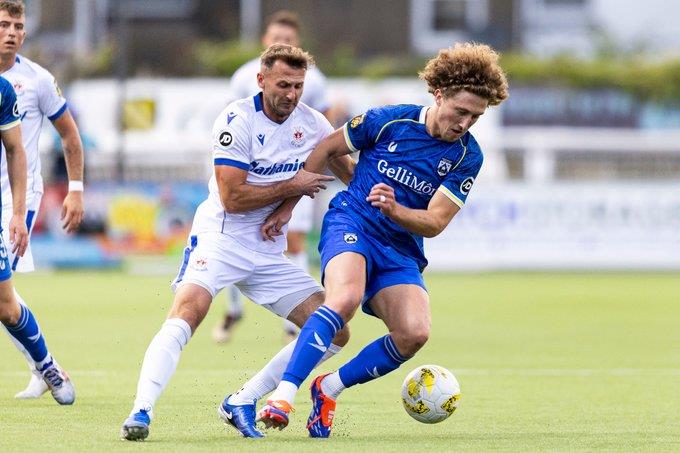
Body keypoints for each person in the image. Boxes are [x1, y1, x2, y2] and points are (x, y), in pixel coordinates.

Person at [257, 42, 509, 437]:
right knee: (343, 300)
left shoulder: (467, 156)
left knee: (414, 333)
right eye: (460, 111)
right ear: (438, 94)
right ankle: (282, 396)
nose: (464, 123)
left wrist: (396, 211)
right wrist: (290, 206)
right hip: (351, 221)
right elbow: (326, 147)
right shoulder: (389, 121)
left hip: (400, 247)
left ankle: (328, 387)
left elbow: (436, 221)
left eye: (475, 117)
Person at [120, 44, 353, 441]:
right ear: (261, 81)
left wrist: (383, 202)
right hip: (221, 238)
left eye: (298, 86)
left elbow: (346, 171)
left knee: (335, 330)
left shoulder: (313, 123)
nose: (291, 94)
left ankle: (241, 400)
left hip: (268, 250)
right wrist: (292, 185)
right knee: (188, 312)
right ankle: (141, 411)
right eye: (283, 84)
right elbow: (233, 196)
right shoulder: (236, 120)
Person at [213, 10, 332, 344]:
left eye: (289, 40)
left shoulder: (316, 81)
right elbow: (233, 127)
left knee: (292, 241)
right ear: (266, 42)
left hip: (300, 176)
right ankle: (234, 309)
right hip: (258, 177)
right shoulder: (243, 77)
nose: (283, 44)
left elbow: (327, 136)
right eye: (277, 39)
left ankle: (294, 323)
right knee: (239, 243)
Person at [0, 0, 83, 402]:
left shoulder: (36, 80)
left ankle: (44, 365)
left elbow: (69, 135)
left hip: (18, 197)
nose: (12, 32)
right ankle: (44, 364)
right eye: (4, 24)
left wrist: (76, 189)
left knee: (2, 293)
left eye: (17, 25)